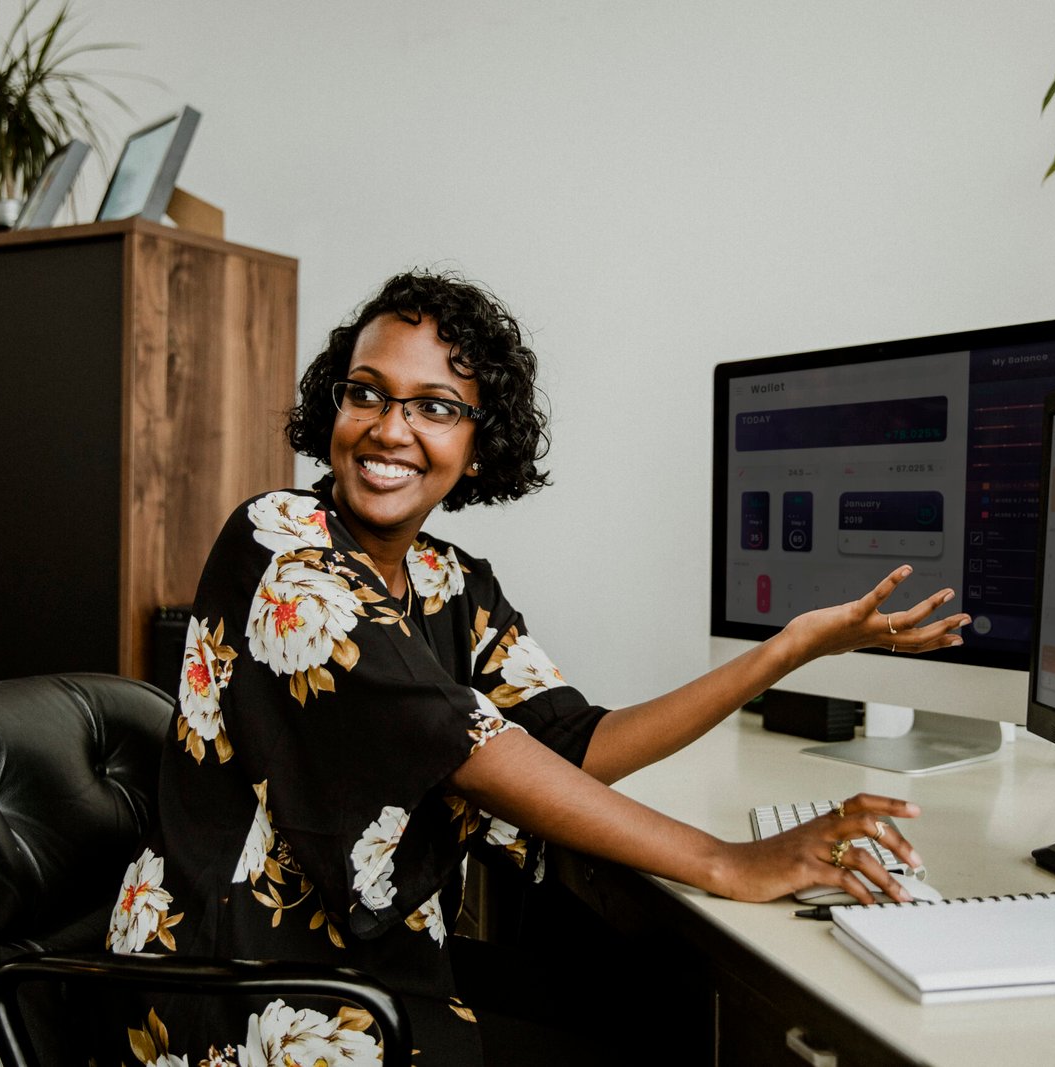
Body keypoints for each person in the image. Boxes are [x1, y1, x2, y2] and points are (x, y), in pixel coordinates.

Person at [104, 270, 967, 1066]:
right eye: (365, 393)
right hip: (241, 989)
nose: (389, 428)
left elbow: (574, 740)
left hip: (377, 964)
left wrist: (788, 649)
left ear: (479, 447)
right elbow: (469, 744)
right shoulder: (280, 545)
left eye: (435, 407)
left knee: (660, 1015)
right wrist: (726, 862)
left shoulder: (452, 582)